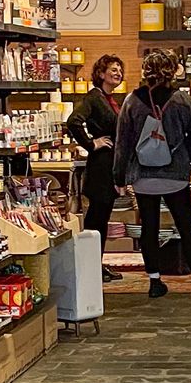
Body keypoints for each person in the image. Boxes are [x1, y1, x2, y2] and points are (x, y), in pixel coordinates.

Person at [114, 47, 191, 300]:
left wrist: (119, 177)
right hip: (174, 175)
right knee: (186, 226)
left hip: (142, 177)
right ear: (172, 70)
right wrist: (188, 157)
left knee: (149, 228)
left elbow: (122, 142)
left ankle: (155, 281)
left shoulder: (132, 100)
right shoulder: (181, 100)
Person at [65, 52, 125, 281]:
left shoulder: (110, 99)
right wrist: (91, 144)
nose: (118, 73)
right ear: (101, 74)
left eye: (119, 69)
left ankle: (96, 264)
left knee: (102, 217)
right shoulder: (94, 97)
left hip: (109, 165)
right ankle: (90, 266)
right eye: (113, 69)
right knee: (96, 219)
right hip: (100, 165)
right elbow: (74, 121)